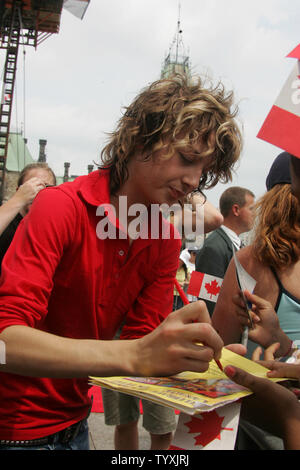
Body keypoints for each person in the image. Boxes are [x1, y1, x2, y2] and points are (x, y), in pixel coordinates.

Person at [0, 74, 242, 450]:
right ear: (142, 137)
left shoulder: (162, 239)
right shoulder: (60, 206)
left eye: (203, 170)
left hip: (76, 425)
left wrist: (206, 362)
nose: (194, 180)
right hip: (13, 430)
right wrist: (139, 353)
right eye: (187, 158)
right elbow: (4, 342)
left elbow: (141, 345)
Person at [212, 152, 300, 356]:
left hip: (262, 382)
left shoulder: (250, 259)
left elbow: (221, 345)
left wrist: (283, 344)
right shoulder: (237, 252)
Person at [195, 186, 255, 316]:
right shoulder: (211, 247)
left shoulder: (238, 246)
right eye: (251, 209)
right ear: (236, 210)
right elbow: (205, 302)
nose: (254, 214)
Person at [0, 163, 56, 272]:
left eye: (46, 187)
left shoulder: (50, 228)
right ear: (19, 190)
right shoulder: (7, 220)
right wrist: (19, 199)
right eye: (31, 186)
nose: (37, 192)